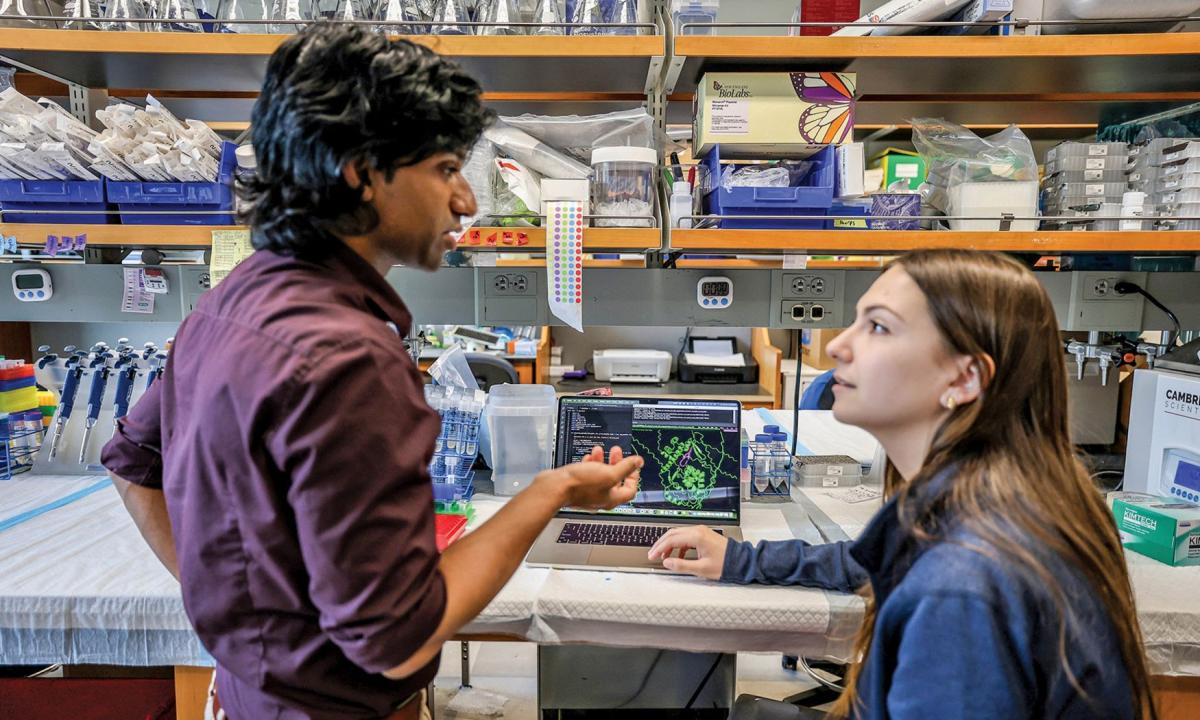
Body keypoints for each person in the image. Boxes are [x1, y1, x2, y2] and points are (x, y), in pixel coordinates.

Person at [102, 24, 642, 720]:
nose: (466, 201)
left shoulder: (228, 302)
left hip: (246, 697)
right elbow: (399, 643)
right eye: (446, 170)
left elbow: (129, 463)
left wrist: (245, 622)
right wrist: (552, 490)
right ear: (361, 170)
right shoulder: (346, 357)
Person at [649, 249, 1155, 719]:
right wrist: (740, 560)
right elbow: (870, 556)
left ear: (964, 379)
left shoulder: (960, 590)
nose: (842, 345)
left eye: (879, 328)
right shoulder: (1006, 502)